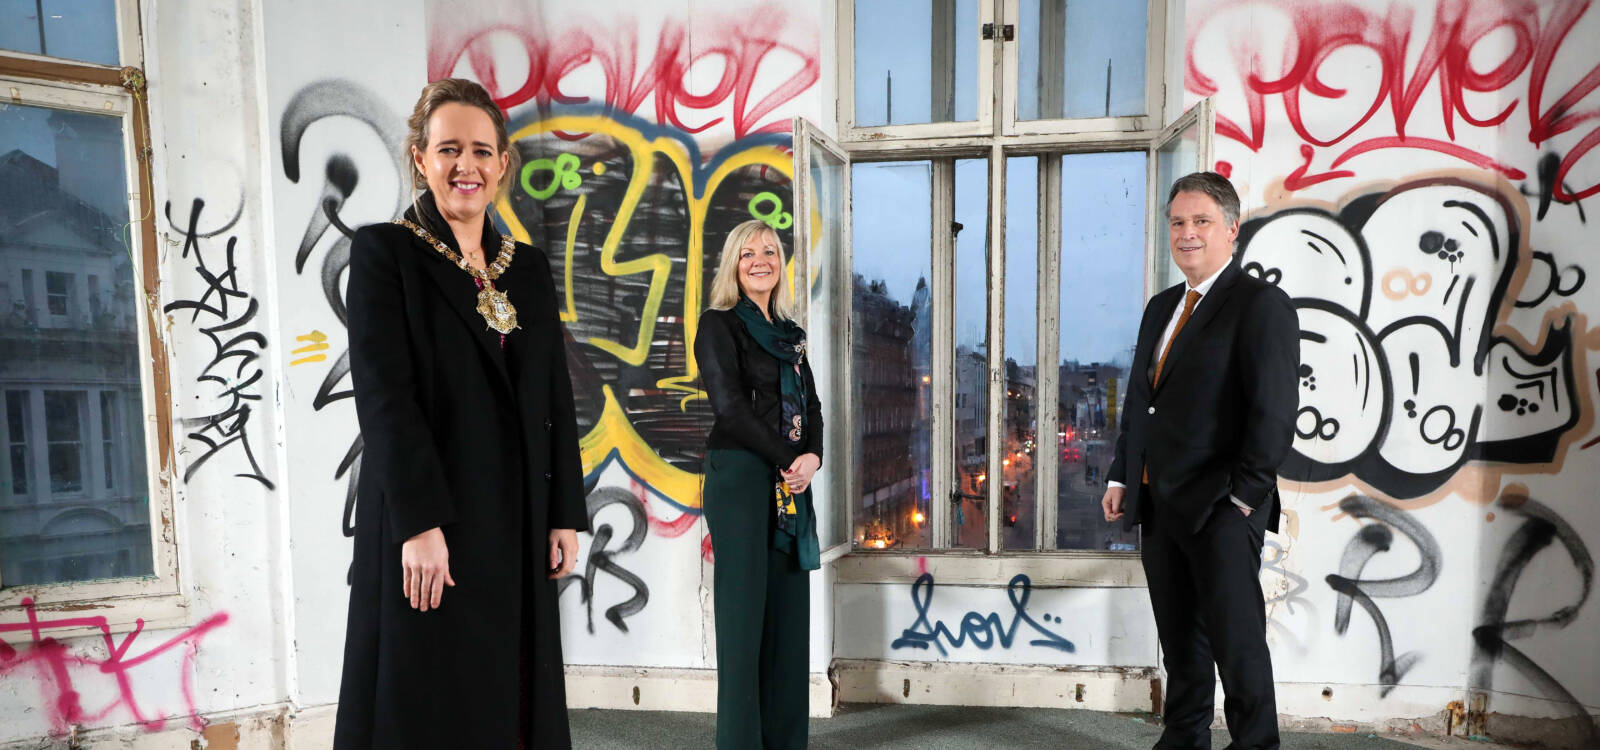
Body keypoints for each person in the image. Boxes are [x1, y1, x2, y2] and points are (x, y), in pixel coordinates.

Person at [334, 78, 587, 749]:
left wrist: (565, 509)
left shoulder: (526, 269)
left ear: (503, 163)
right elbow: (385, 399)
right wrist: (419, 523)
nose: (465, 166)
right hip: (433, 521)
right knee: (431, 699)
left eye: (480, 150)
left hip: (518, 522)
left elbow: (555, 394)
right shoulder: (385, 253)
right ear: (419, 157)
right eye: (448, 149)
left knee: (510, 693)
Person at [1102, 172, 1298, 750]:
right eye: (1178, 222)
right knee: (1180, 638)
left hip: (1222, 509)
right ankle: (1184, 737)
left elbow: (1274, 413)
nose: (1187, 234)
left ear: (1232, 230)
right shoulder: (1162, 307)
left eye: (1201, 221)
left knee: (1238, 646)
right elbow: (1143, 400)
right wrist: (1121, 473)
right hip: (1159, 502)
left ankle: (1255, 744)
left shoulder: (1261, 305)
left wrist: (1243, 499)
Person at [694, 219, 824, 749]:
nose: (760, 260)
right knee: (744, 626)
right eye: (747, 253)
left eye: (769, 250)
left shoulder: (791, 336)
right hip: (742, 479)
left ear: (780, 263)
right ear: (734, 265)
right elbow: (729, 411)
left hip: (790, 480)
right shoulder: (719, 325)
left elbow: (811, 406)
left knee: (789, 623)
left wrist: (812, 456)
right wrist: (787, 459)